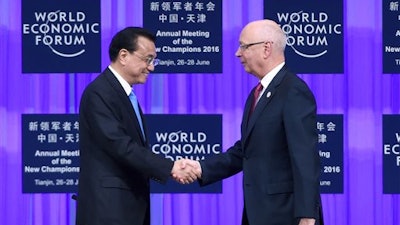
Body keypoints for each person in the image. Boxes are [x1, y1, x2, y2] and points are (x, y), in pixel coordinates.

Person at [183, 19, 324, 225]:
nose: (238, 53)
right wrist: (201, 168)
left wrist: (307, 216)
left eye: (244, 46)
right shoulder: (257, 93)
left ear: (266, 48)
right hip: (259, 214)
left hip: (286, 215)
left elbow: (305, 157)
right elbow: (246, 150)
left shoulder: (293, 91)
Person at [76, 27, 197, 225]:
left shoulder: (122, 93)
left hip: (127, 208)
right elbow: (120, 145)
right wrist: (170, 167)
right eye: (147, 59)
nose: (151, 67)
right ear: (123, 55)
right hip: (109, 211)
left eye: (153, 60)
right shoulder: (100, 93)